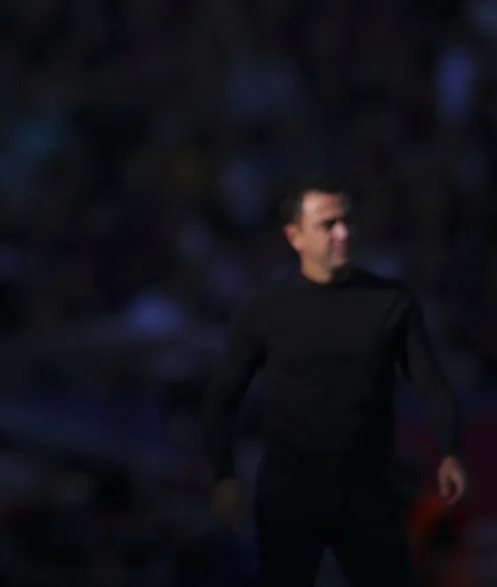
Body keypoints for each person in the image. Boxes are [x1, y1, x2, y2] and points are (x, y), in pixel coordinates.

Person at [201, 175, 468, 587]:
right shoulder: (264, 308)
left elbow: (430, 382)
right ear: (295, 236)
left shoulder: (390, 302)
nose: (342, 233)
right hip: (289, 493)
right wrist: (224, 475)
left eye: (346, 221)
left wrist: (451, 450)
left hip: (368, 490)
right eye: (327, 224)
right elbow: (223, 395)